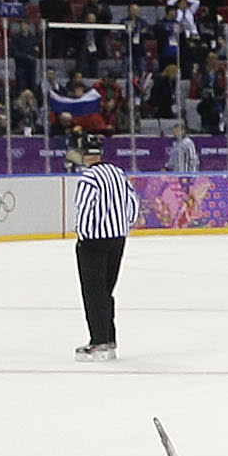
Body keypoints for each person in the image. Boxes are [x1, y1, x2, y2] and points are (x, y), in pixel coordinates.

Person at [69, 131, 139, 357]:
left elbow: (84, 208)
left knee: (93, 291)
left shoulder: (88, 178)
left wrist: (84, 235)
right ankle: (109, 338)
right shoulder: (118, 173)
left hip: (93, 241)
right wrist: (123, 226)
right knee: (107, 290)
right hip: (118, 238)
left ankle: (99, 341)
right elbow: (133, 203)